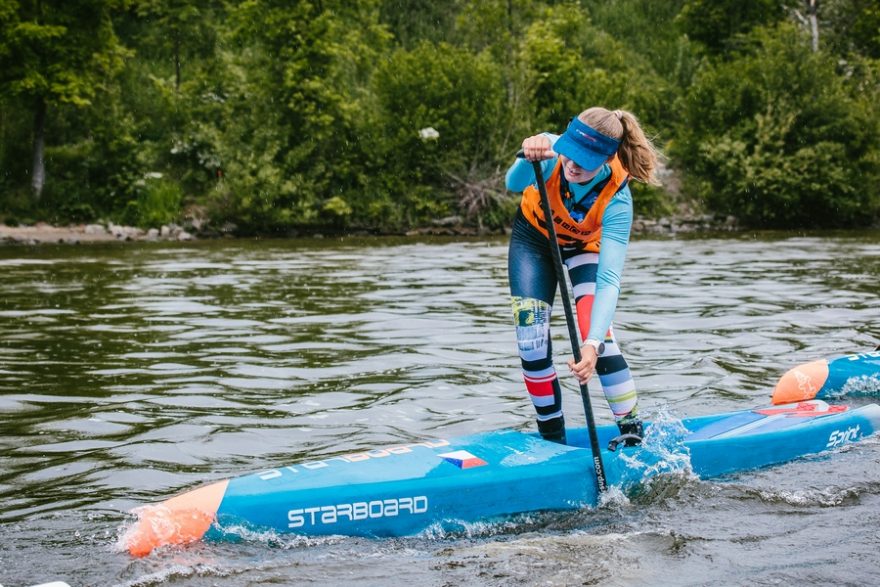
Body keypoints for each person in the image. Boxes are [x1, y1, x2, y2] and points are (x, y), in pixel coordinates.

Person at [506, 107, 659, 445]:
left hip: (583, 248)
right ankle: (553, 442)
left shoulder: (617, 199)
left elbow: (609, 280)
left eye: (585, 160)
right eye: (570, 153)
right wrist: (527, 154)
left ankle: (633, 437)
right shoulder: (547, 150)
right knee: (531, 342)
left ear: (606, 159)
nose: (572, 164)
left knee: (600, 341)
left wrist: (590, 344)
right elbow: (512, 183)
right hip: (533, 241)